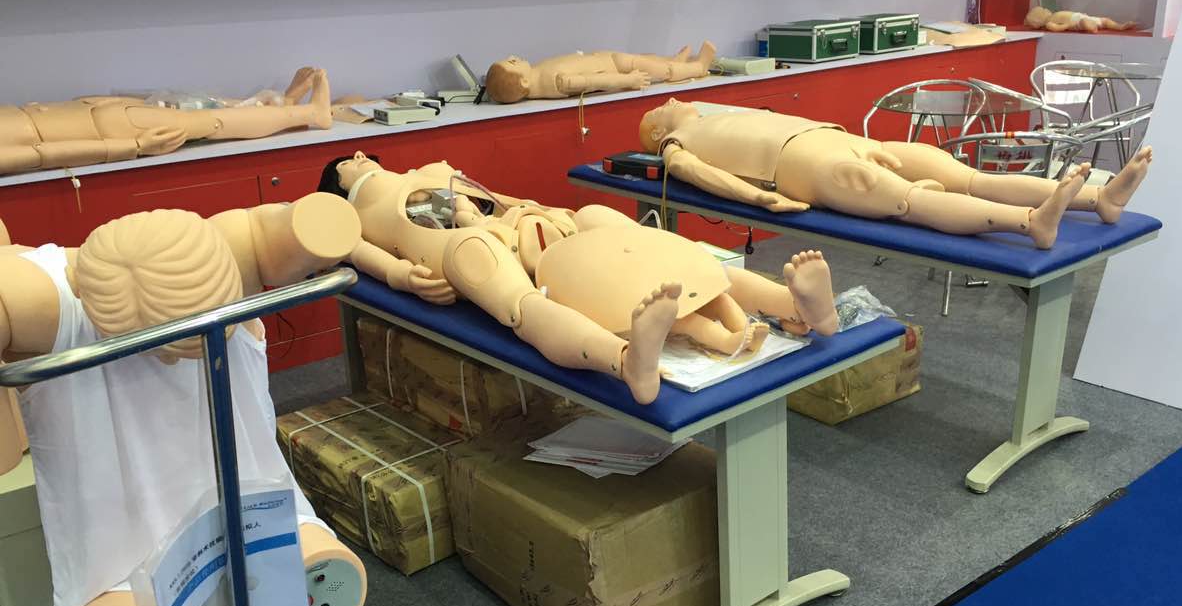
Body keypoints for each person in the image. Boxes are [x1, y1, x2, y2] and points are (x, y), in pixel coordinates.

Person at [0, 194, 365, 606]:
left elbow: (307, 225)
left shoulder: (230, 253)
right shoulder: (40, 301)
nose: (177, 365)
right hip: (116, 557)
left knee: (307, 561)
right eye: (169, 353)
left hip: (252, 516)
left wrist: (311, 228)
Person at [320, 154, 839, 400]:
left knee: (618, 227)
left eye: (360, 155)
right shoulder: (352, 213)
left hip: (529, 223)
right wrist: (400, 276)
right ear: (337, 187)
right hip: (473, 250)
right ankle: (627, 360)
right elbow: (354, 252)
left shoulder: (429, 171)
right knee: (497, 278)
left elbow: (497, 197)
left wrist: (547, 215)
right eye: (345, 164)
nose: (359, 157)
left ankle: (793, 305)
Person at [639, 98, 1154, 249]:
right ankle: (1029, 222)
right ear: (658, 128)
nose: (673, 100)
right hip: (805, 166)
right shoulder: (675, 144)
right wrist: (761, 200)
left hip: (833, 138)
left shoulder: (716, 113)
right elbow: (704, 177)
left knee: (963, 175)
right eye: (663, 107)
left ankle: (1098, 199)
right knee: (911, 200)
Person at [0, 67, 332, 176]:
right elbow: (43, 155)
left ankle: (285, 107)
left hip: (86, 112)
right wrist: (133, 146)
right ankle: (308, 113)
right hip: (106, 128)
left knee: (194, 106)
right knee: (212, 121)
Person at [485, 43, 717, 104]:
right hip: (612, 67)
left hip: (606, 59)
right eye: (512, 62)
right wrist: (628, 80)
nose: (513, 56)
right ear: (524, 81)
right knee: (657, 70)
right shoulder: (559, 82)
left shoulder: (537, 73)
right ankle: (698, 68)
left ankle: (676, 63)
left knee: (647, 58)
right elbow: (596, 81)